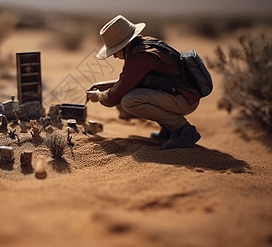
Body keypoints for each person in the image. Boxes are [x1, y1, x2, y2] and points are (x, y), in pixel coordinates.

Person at [86, 15, 201, 150]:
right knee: (129, 95)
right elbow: (135, 81)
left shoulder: (141, 56)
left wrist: (99, 96)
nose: (115, 56)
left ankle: (183, 130)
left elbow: (113, 97)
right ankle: (169, 128)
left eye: (114, 51)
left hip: (185, 100)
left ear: (124, 45)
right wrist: (104, 86)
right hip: (179, 94)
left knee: (129, 101)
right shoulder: (144, 45)